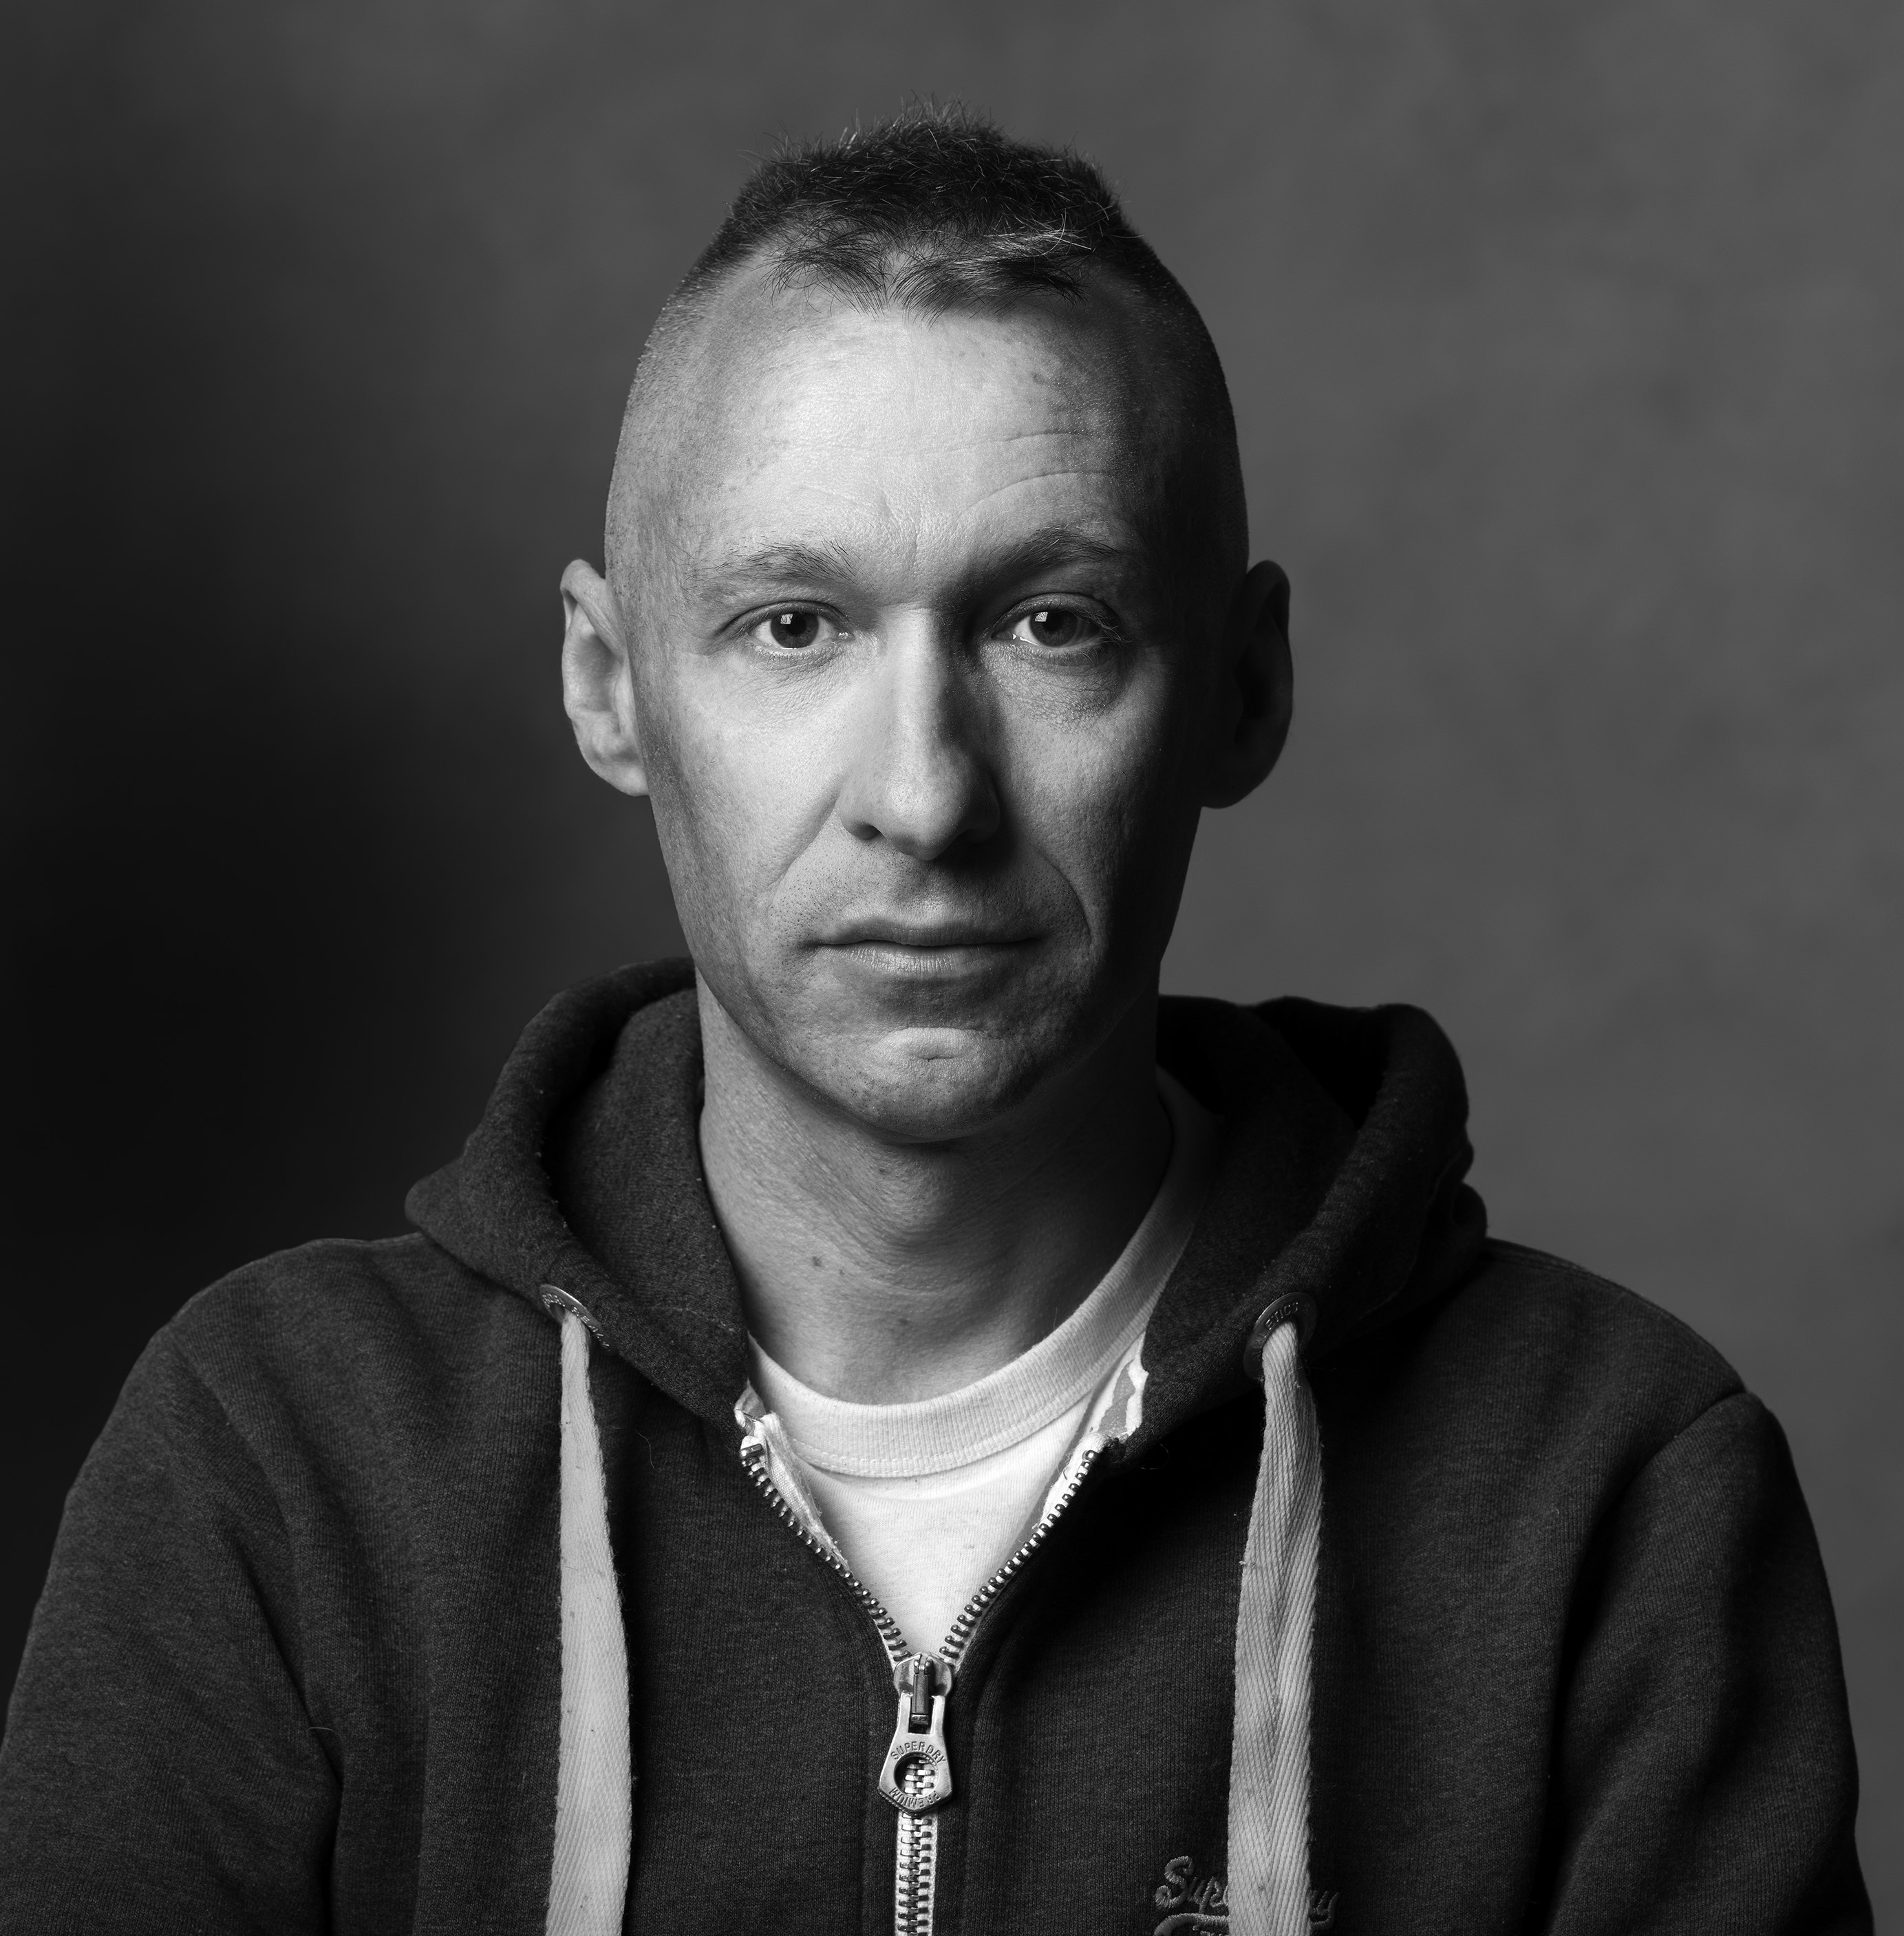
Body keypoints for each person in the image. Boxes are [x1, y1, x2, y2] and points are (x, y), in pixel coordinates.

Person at [0, 109, 1870, 1936]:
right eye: (793, 626)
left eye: (1052, 624)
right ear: (609, 683)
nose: (924, 796)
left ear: (1243, 690)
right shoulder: (280, 1465)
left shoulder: (1612, 1489)